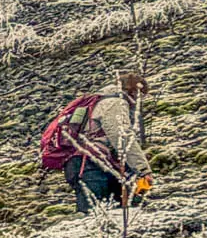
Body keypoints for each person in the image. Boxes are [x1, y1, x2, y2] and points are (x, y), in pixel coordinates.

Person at [60, 72, 153, 215]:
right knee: (95, 215)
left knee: (105, 212)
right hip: (91, 165)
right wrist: (143, 169)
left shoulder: (101, 101)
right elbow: (121, 136)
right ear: (134, 92)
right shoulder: (115, 103)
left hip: (82, 163)